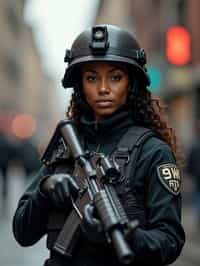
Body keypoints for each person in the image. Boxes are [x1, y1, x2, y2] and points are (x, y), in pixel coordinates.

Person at [12, 24, 185, 266]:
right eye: (92, 78)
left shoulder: (153, 152)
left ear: (132, 84)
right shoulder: (66, 147)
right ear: (80, 86)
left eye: (115, 77)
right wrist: (45, 190)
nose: (103, 89)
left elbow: (170, 241)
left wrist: (127, 237)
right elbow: (22, 233)